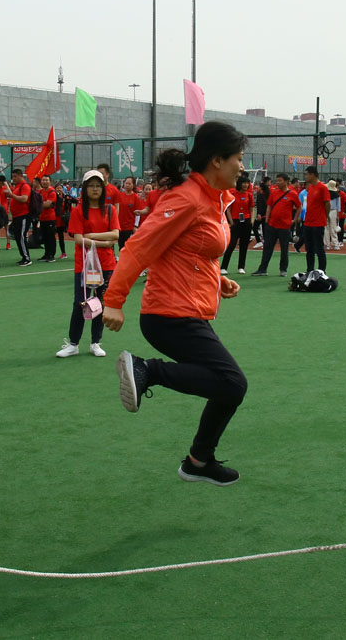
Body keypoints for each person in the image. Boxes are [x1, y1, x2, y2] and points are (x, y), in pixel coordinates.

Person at [102, 121, 248, 486]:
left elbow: (194, 250)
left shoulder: (212, 199)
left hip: (186, 311)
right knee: (232, 383)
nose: (242, 166)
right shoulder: (187, 198)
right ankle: (146, 370)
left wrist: (218, 280)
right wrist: (114, 301)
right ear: (217, 160)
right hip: (168, 315)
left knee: (227, 386)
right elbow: (139, 247)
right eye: (238, 157)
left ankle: (199, 461)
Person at [56, 170, 119, 358]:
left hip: (106, 265)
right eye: (91, 186)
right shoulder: (78, 211)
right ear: (84, 189)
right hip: (84, 265)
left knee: (101, 303)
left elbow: (115, 234)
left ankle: (95, 343)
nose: (95, 189)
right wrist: (104, 243)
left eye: (98, 185)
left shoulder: (110, 210)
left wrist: (91, 236)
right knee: (80, 303)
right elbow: (78, 239)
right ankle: (73, 344)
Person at [251, 173, 300, 277]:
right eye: (277, 180)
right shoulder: (274, 193)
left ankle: (283, 269)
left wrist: (294, 220)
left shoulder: (293, 194)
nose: (277, 182)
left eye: (280, 180)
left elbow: (299, 207)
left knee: (284, 249)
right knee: (267, 248)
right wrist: (267, 220)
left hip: (284, 226)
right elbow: (269, 206)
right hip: (272, 225)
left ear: (286, 181)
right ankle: (262, 269)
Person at [221, 176, 253, 275]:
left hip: (246, 221)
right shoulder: (233, 194)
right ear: (239, 183)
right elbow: (228, 209)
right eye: (244, 183)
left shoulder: (249, 195)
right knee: (231, 244)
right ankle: (224, 267)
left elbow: (251, 208)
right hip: (235, 221)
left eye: (247, 183)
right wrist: (231, 222)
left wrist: (251, 221)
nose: (246, 185)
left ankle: (241, 267)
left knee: (244, 245)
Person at [302, 166, 330, 273]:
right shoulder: (310, 188)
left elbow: (327, 203)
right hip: (308, 222)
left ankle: (321, 271)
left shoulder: (322, 187)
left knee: (319, 248)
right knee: (309, 249)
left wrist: (324, 216)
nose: (305, 176)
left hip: (318, 223)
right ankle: (309, 270)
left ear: (312, 174)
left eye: (306, 174)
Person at [3, 168, 33, 266]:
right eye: (13, 176)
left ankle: (27, 258)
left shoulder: (25, 186)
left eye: (15, 176)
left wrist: (12, 196)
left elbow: (24, 199)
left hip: (23, 215)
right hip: (17, 216)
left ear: (21, 176)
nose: (13, 178)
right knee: (18, 236)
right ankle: (24, 256)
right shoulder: (18, 186)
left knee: (21, 236)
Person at [37, 176, 58, 261]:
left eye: (46, 180)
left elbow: (47, 205)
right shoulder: (40, 191)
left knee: (51, 237)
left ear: (50, 181)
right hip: (42, 218)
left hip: (50, 218)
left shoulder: (52, 192)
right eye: (43, 180)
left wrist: (38, 204)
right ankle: (46, 254)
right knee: (45, 237)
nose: (44, 182)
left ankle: (51, 255)